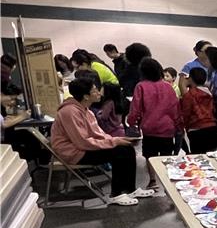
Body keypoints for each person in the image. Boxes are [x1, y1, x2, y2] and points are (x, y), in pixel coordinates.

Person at [51, 77, 154, 205]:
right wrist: (114, 142)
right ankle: (116, 194)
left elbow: (98, 134)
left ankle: (130, 189)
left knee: (127, 148)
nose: (99, 93)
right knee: (118, 152)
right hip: (73, 153)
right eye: (95, 90)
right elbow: (82, 142)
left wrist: (117, 139)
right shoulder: (69, 111)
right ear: (86, 96)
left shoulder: (86, 110)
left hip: (83, 147)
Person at [127, 57, 181, 189]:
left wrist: (131, 122)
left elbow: (135, 108)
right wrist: (179, 125)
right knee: (166, 156)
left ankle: (153, 181)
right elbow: (175, 108)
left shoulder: (141, 86)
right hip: (167, 128)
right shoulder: (168, 87)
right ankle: (168, 183)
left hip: (149, 128)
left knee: (150, 156)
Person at [180, 67, 217, 154]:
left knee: (197, 157)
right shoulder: (209, 93)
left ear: (191, 79)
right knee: (210, 156)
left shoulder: (189, 95)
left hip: (196, 129)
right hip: (212, 128)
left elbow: (186, 114)